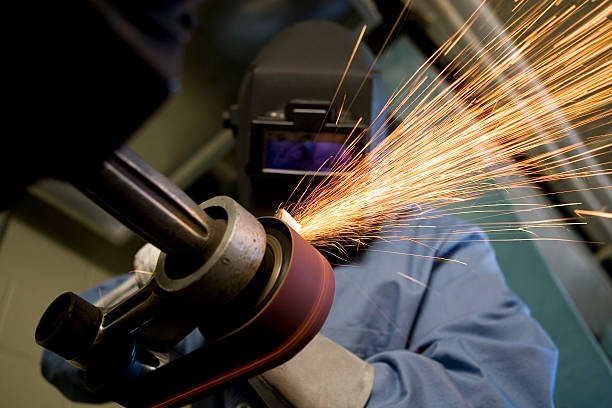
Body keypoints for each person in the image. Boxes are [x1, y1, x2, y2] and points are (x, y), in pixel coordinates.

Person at [41, 21, 558, 407]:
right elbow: (60, 358)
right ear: (243, 137)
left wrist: (272, 327)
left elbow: (502, 393)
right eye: (289, 150)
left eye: (329, 153)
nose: (307, 179)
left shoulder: (436, 247)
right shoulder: (209, 242)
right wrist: (151, 311)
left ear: (379, 141)